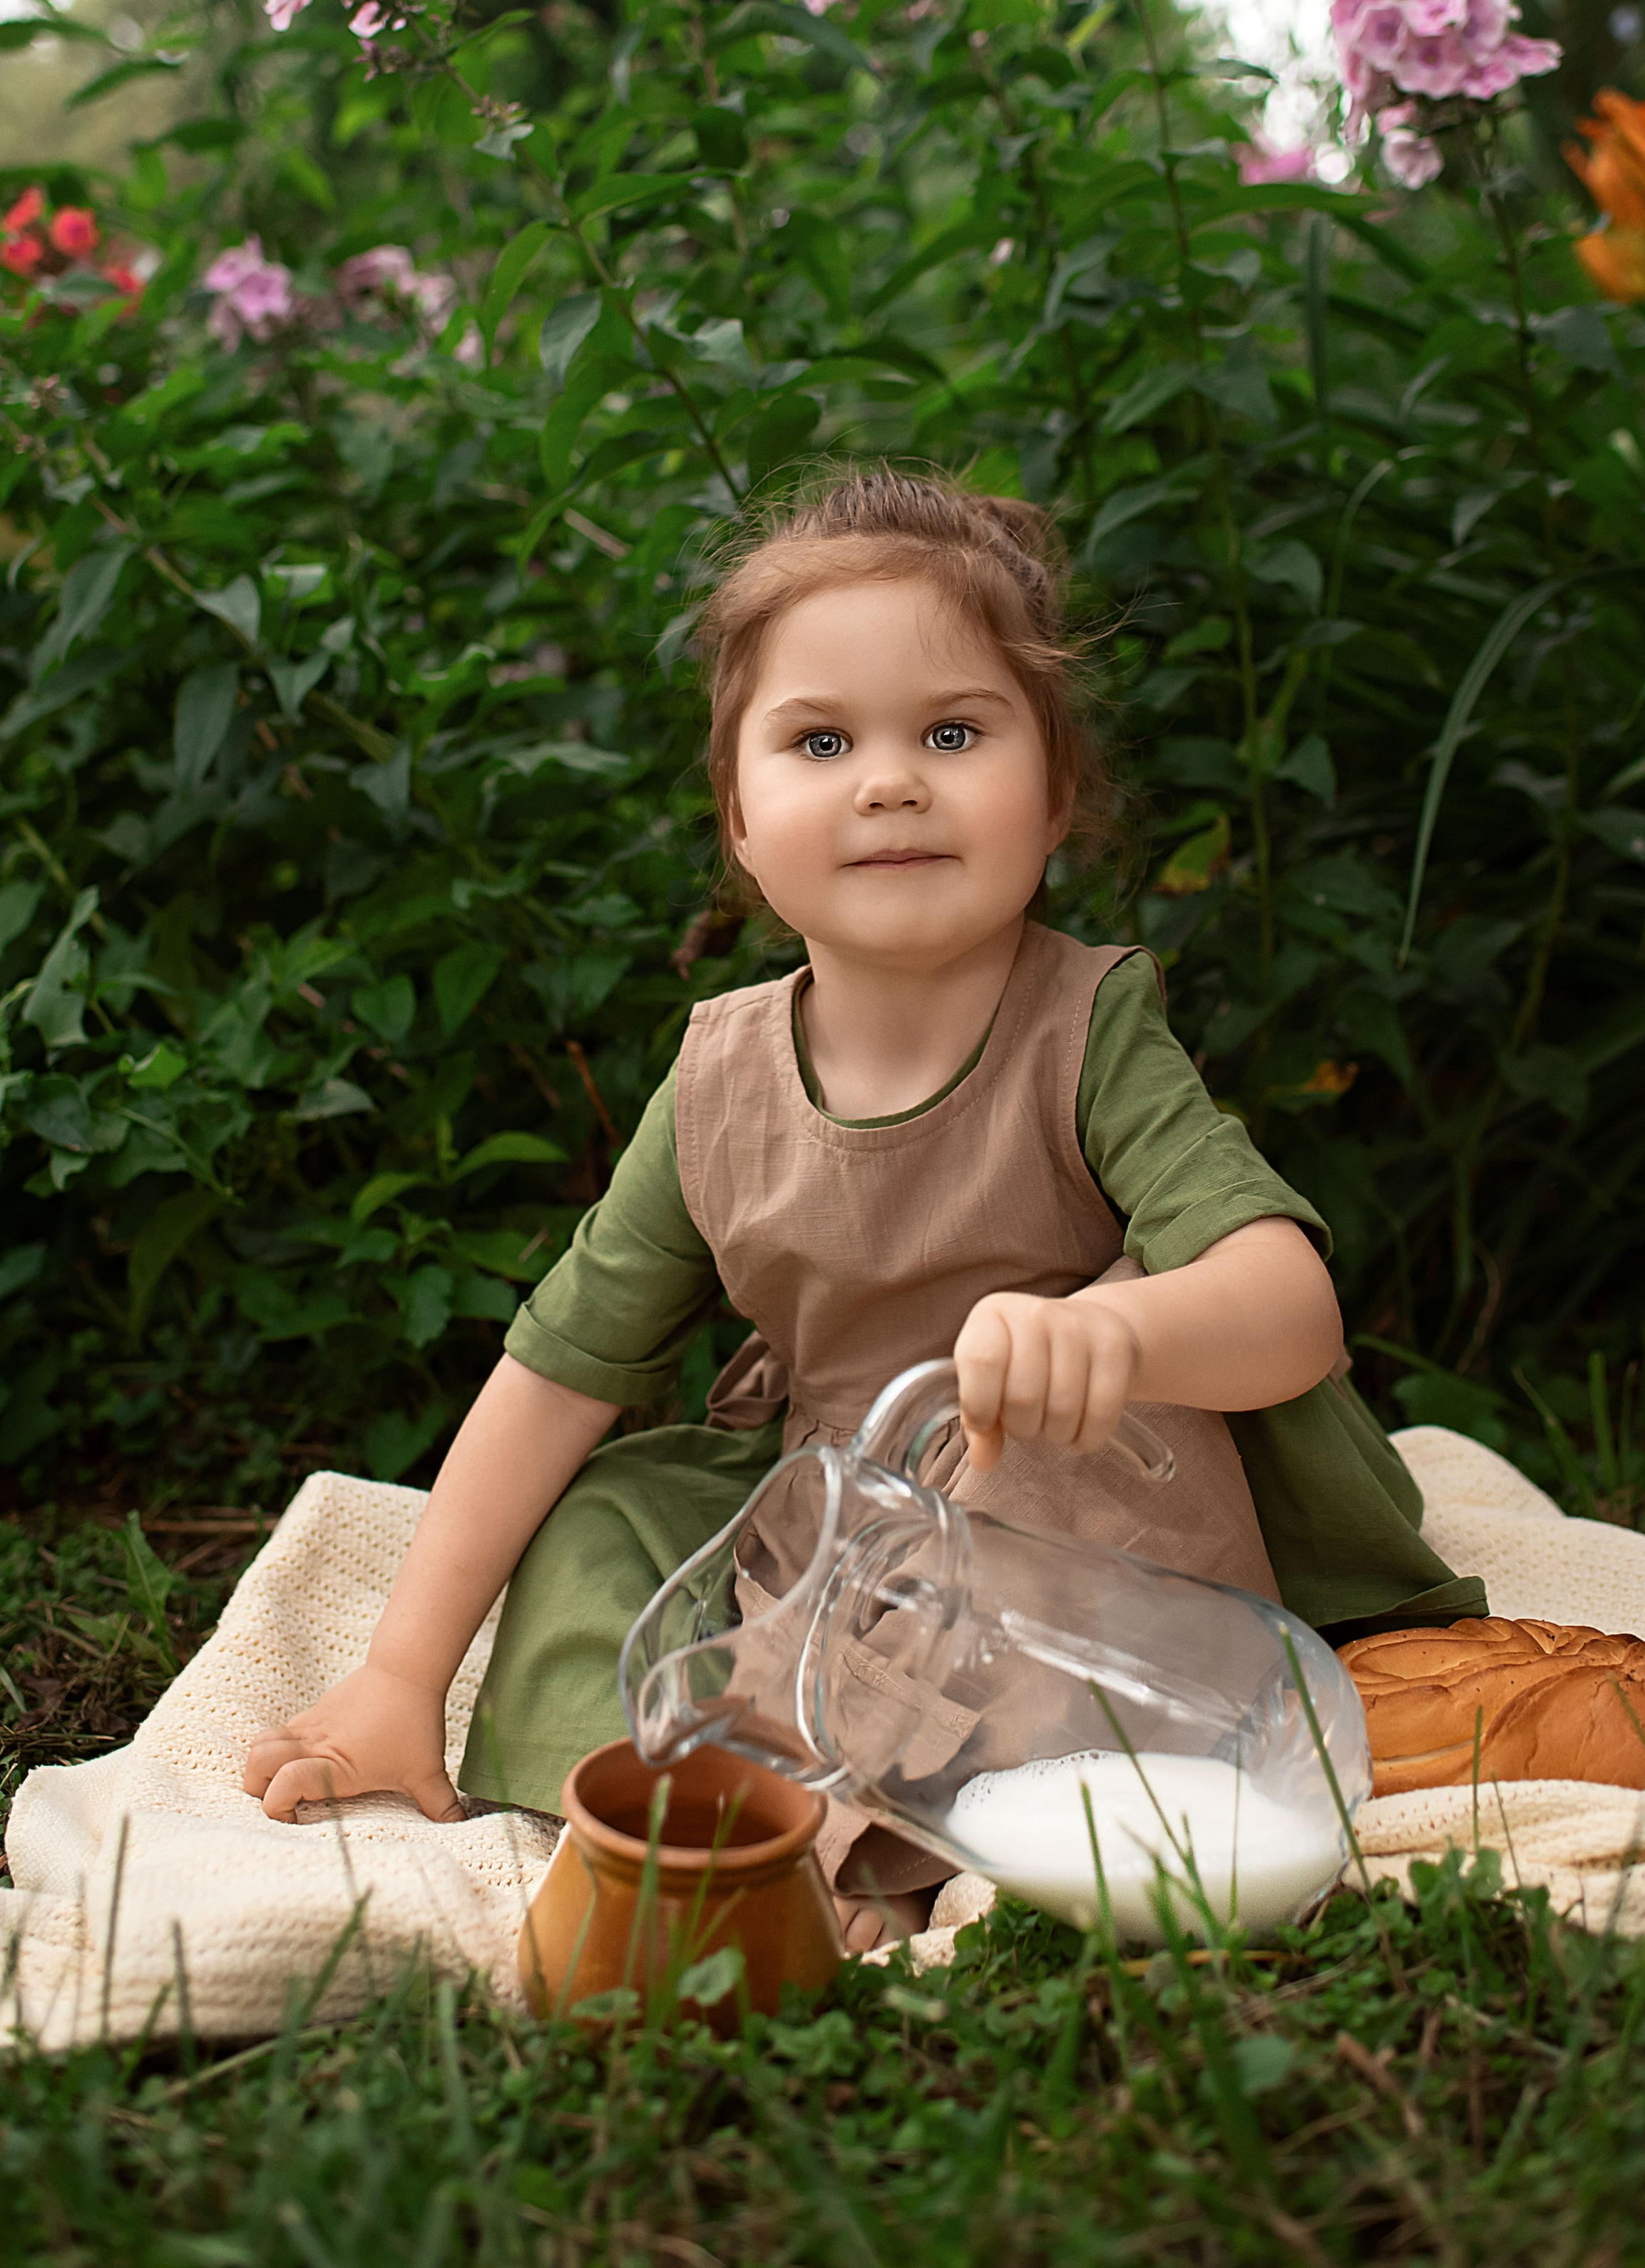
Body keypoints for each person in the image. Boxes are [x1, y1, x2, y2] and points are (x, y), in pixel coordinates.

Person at [246, 469, 1484, 1944]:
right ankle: (645, 1793)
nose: (889, 780)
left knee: (997, 1511)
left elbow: (1288, 1307)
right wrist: (403, 1667)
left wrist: (1125, 1336)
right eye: (820, 740)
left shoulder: (1084, 1029)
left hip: (1071, 1492)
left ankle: (837, 1854)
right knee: (602, 1512)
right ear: (743, 824)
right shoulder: (718, 1078)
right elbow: (559, 1368)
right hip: (838, 1498)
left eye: (951, 734)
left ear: (1056, 796)